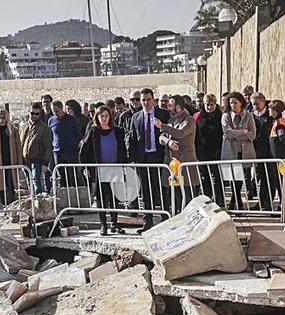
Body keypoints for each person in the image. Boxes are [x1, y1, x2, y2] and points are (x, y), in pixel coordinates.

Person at [79, 105, 129, 235]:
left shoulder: (117, 131)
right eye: (102, 116)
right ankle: (103, 225)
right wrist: (86, 166)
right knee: (101, 198)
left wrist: (124, 166)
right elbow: (84, 150)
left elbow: (122, 150)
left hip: (115, 168)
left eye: (106, 116)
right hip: (99, 170)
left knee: (113, 198)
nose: (104, 118)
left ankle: (114, 223)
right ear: (97, 117)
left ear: (110, 117)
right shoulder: (93, 131)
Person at [126, 87, 170, 230]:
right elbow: (133, 139)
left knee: (161, 188)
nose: (145, 103)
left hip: (159, 157)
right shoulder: (136, 117)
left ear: (153, 100)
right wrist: (132, 159)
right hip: (142, 158)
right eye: (143, 100)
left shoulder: (163, 114)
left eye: (148, 99)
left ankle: (166, 219)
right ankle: (148, 222)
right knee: (145, 191)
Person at [156, 94, 198, 209]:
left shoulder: (189, 120)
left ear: (178, 107)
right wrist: (168, 142)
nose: (168, 107)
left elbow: (180, 133)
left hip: (185, 164)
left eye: (171, 105)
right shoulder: (171, 120)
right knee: (176, 195)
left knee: (188, 195)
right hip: (173, 164)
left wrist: (162, 126)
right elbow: (161, 137)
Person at [221, 91, 257, 211]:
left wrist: (238, 134)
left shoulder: (249, 116)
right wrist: (243, 132)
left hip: (245, 151)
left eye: (235, 102)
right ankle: (237, 201)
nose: (233, 105)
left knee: (241, 176)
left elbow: (252, 134)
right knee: (233, 176)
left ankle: (235, 201)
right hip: (231, 151)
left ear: (241, 103)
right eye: (231, 102)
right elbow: (227, 133)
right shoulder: (225, 116)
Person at [0, 108, 23, 205]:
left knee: (11, 185)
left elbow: (18, 147)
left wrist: (19, 162)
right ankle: (4, 205)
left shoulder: (13, 131)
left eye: (3, 118)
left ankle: (11, 205)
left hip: (11, 161)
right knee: (1, 186)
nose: (1, 120)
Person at [194, 93, 225, 206]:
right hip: (203, 152)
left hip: (217, 152)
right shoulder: (199, 117)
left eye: (212, 104)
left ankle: (219, 200)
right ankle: (207, 200)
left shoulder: (220, 116)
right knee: (204, 178)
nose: (209, 107)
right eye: (207, 104)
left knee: (217, 178)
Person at [266, 99, 285, 208]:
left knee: (281, 183)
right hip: (280, 157)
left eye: (271, 110)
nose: (270, 112)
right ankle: (282, 204)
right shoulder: (279, 122)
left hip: (281, 158)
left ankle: (283, 205)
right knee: (280, 182)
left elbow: (282, 138)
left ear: (275, 111)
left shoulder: (279, 124)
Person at [48, 100, 81, 188]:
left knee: (73, 175)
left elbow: (78, 135)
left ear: (62, 108)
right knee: (61, 176)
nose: (55, 113)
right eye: (53, 111)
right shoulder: (51, 120)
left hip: (71, 151)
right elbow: (50, 136)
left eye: (57, 111)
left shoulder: (71, 120)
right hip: (57, 152)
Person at [250, 92, 275, 210]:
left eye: (257, 104)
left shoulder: (270, 116)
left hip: (269, 152)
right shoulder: (251, 116)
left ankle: (268, 202)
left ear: (263, 102)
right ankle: (261, 202)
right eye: (253, 104)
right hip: (257, 151)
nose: (255, 106)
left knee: (270, 178)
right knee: (261, 177)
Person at [22, 103, 53, 195]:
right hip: (25, 159)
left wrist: (45, 163)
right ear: (29, 112)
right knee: (29, 182)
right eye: (32, 113)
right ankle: (32, 201)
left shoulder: (44, 128)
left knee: (36, 181)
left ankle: (38, 202)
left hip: (37, 159)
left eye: (37, 114)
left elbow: (48, 146)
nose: (34, 116)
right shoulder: (23, 126)